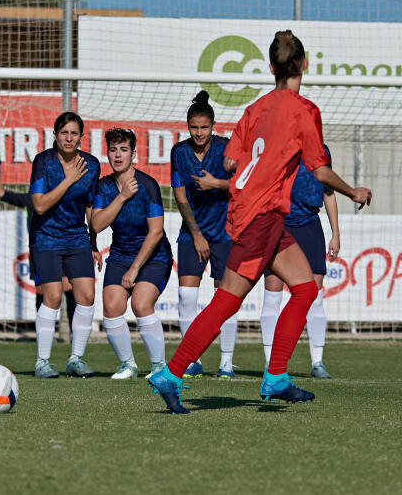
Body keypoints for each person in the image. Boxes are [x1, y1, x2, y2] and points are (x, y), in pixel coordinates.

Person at [147, 30, 372, 414]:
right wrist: (353, 192)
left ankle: (276, 378)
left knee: (303, 289)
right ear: (304, 64)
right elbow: (319, 171)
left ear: (270, 68)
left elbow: (232, 162)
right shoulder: (305, 111)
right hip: (261, 216)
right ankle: (170, 373)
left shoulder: (254, 109)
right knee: (227, 301)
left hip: (254, 211)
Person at [88, 128, 173, 380]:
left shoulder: (148, 185)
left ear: (134, 154)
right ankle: (128, 365)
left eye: (123, 150)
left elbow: (156, 232)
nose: (118, 155)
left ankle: (159, 367)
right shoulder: (103, 186)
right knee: (112, 306)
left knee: (140, 303)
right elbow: (96, 224)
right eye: (113, 150)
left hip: (153, 256)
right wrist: (123, 197)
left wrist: (135, 269)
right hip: (121, 254)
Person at [169, 91, 239, 379]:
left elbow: (241, 186)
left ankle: (226, 363)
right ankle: (191, 360)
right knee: (186, 296)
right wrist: (196, 234)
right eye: (194, 127)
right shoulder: (179, 152)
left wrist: (216, 184)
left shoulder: (227, 148)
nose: (199, 133)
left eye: (204, 127)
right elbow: (179, 194)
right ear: (188, 126)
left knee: (226, 298)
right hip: (192, 234)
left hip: (224, 232)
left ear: (213, 126)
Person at [27, 112, 102, 378]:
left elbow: (91, 207)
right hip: (46, 237)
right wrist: (69, 179)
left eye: (74, 133)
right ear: (55, 134)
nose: (69, 138)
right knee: (54, 297)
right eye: (64, 132)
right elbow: (39, 204)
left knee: (87, 296)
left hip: (77, 238)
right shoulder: (43, 162)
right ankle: (42, 362)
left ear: (81, 136)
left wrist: (93, 243)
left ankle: (76, 359)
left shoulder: (92, 165)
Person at [259, 146, 340, 379]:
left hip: (310, 226)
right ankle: (269, 362)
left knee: (315, 295)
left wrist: (336, 233)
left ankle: (317, 362)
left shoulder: (322, 151)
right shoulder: (278, 145)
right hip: (279, 224)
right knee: (272, 293)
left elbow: (329, 192)